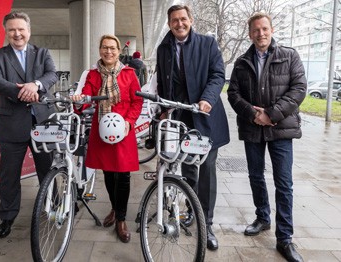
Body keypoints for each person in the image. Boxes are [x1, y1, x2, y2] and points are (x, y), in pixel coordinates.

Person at [227, 12, 306, 262]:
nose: (260, 34)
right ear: (250, 33)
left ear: (271, 30)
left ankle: (285, 239)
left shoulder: (289, 55)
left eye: (264, 29)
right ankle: (262, 217)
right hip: (252, 128)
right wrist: (252, 114)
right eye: (255, 30)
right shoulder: (241, 62)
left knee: (284, 182)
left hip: (281, 128)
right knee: (255, 176)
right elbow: (233, 93)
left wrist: (271, 114)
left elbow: (299, 89)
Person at [155, 5, 230, 251]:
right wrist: (164, 108)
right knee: (188, 170)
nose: (179, 24)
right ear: (169, 23)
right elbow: (164, 82)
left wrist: (207, 99)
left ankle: (206, 224)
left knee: (207, 170)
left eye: (183, 19)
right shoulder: (163, 49)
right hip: (181, 120)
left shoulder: (207, 44)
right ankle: (192, 211)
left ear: (191, 20)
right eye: (174, 20)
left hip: (206, 118)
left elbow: (218, 74)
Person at [0, 11, 58, 238]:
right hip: (11, 125)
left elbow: (51, 75)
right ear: (6, 32)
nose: (17, 34)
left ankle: (55, 206)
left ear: (29, 31)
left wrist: (35, 84)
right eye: (12, 30)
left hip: (43, 122)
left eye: (21, 29)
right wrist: (25, 91)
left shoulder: (42, 52)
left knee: (48, 170)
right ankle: (7, 217)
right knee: (9, 175)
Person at [71, 35, 142, 243]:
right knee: (109, 173)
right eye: (104, 47)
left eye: (112, 48)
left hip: (124, 130)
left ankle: (121, 219)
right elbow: (85, 98)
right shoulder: (92, 75)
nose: (108, 51)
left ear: (119, 51)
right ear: (100, 50)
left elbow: (137, 102)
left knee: (124, 175)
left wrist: (129, 121)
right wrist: (79, 100)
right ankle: (114, 208)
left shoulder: (129, 74)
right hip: (102, 129)